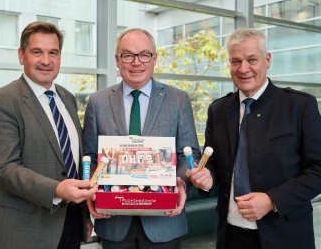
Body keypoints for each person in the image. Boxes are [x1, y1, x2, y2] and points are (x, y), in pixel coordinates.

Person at [187, 28, 321, 249]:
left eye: (252, 60)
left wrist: (272, 200)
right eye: (235, 61)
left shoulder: (299, 106)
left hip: (285, 235)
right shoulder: (218, 109)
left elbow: (318, 168)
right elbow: (211, 162)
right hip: (230, 235)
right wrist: (206, 177)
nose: (243, 69)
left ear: (267, 60)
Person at [0, 21, 98, 249]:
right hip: (24, 231)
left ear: (60, 58)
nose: (46, 60)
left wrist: (83, 215)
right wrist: (56, 189)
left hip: (70, 224)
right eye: (37, 52)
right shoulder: (2, 101)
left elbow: (74, 159)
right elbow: (6, 169)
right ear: (21, 55)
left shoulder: (67, 98)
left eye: (53, 52)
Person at [82, 28, 201, 249]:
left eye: (144, 54)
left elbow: (190, 153)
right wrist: (90, 187)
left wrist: (181, 181)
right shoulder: (98, 102)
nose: (136, 62)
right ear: (117, 61)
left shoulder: (178, 100)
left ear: (154, 59)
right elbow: (88, 155)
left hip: (164, 222)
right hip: (114, 222)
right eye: (127, 55)